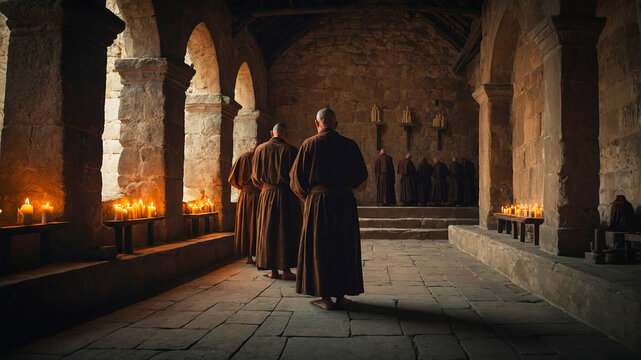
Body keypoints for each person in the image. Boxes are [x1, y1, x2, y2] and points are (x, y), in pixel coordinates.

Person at [290, 108, 368, 310]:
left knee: (320, 247)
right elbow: (362, 178)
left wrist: (309, 198)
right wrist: (346, 191)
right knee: (343, 246)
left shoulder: (309, 144)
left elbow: (296, 180)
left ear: (317, 123)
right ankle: (341, 295)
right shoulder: (349, 145)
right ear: (336, 124)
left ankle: (324, 298)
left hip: (318, 203)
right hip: (344, 203)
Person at [251, 123, 301, 280]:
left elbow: (255, 178)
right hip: (287, 196)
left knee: (269, 231)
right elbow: (297, 178)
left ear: (272, 133)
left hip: (266, 195)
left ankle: (273, 270)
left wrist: (266, 188)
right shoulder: (293, 151)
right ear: (286, 134)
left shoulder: (259, 150)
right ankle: (286, 270)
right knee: (287, 231)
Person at [228, 144, 260, 264]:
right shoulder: (260, 157)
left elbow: (231, 179)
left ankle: (249, 257)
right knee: (257, 224)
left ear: (251, 146)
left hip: (245, 196)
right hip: (258, 195)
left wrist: (243, 187)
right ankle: (259, 255)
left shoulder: (242, 157)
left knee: (246, 224)